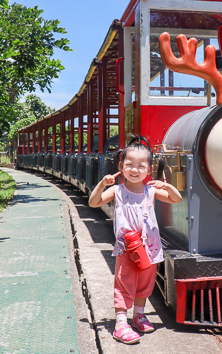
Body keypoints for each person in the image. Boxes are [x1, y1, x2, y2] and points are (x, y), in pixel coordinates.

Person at [88, 136, 182, 344]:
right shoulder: (118, 191)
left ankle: (138, 314)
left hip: (150, 247)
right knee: (124, 284)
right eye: (129, 164)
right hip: (126, 248)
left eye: (141, 165)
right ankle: (121, 322)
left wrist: (167, 186)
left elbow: (177, 199)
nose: (135, 169)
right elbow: (94, 202)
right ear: (121, 166)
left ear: (149, 169)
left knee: (145, 283)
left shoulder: (151, 191)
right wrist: (102, 184)